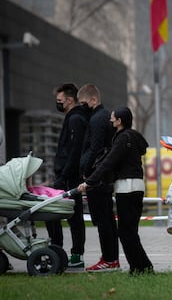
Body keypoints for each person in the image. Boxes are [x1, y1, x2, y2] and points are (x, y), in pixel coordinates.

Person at [78, 107, 153, 275]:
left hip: (127, 188)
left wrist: (89, 182)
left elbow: (108, 162)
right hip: (136, 186)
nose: (110, 121)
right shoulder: (132, 137)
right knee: (129, 232)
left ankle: (142, 268)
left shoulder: (122, 138)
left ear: (119, 121)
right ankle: (141, 267)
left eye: (112, 119)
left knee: (126, 232)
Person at [77, 84, 119, 272]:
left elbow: (94, 149)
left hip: (97, 177)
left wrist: (86, 171)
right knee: (107, 219)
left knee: (103, 220)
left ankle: (109, 260)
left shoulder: (97, 119)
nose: (81, 107)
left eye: (83, 103)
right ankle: (111, 258)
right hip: (103, 176)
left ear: (93, 100)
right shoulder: (104, 117)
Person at [47, 83, 89, 269]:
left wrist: (64, 176)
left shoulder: (76, 119)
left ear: (69, 100)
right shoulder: (73, 118)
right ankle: (63, 251)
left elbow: (75, 150)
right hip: (67, 175)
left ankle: (66, 252)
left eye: (59, 100)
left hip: (69, 177)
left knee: (62, 214)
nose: (58, 103)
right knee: (68, 215)